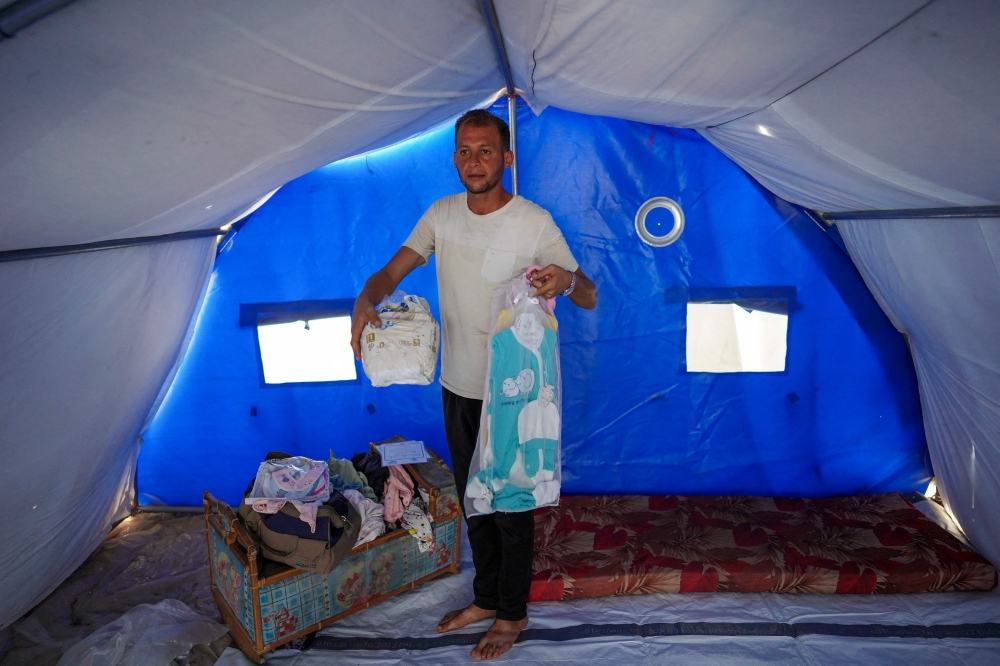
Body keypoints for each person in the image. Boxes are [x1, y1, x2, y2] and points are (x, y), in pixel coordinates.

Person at [350, 108, 597, 660]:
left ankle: (512, 614)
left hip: (514, 393)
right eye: (464, 150)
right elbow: (389, 274)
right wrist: (365, 302)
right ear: (455, 157)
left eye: (486, 150)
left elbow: (588, 295)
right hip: (458, 386)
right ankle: (486, 598)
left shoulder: (534, 222)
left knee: (511, 504)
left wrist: (567, 277)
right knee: (475, 502)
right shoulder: (441, 216)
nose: (474, 160)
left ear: (506, 158)